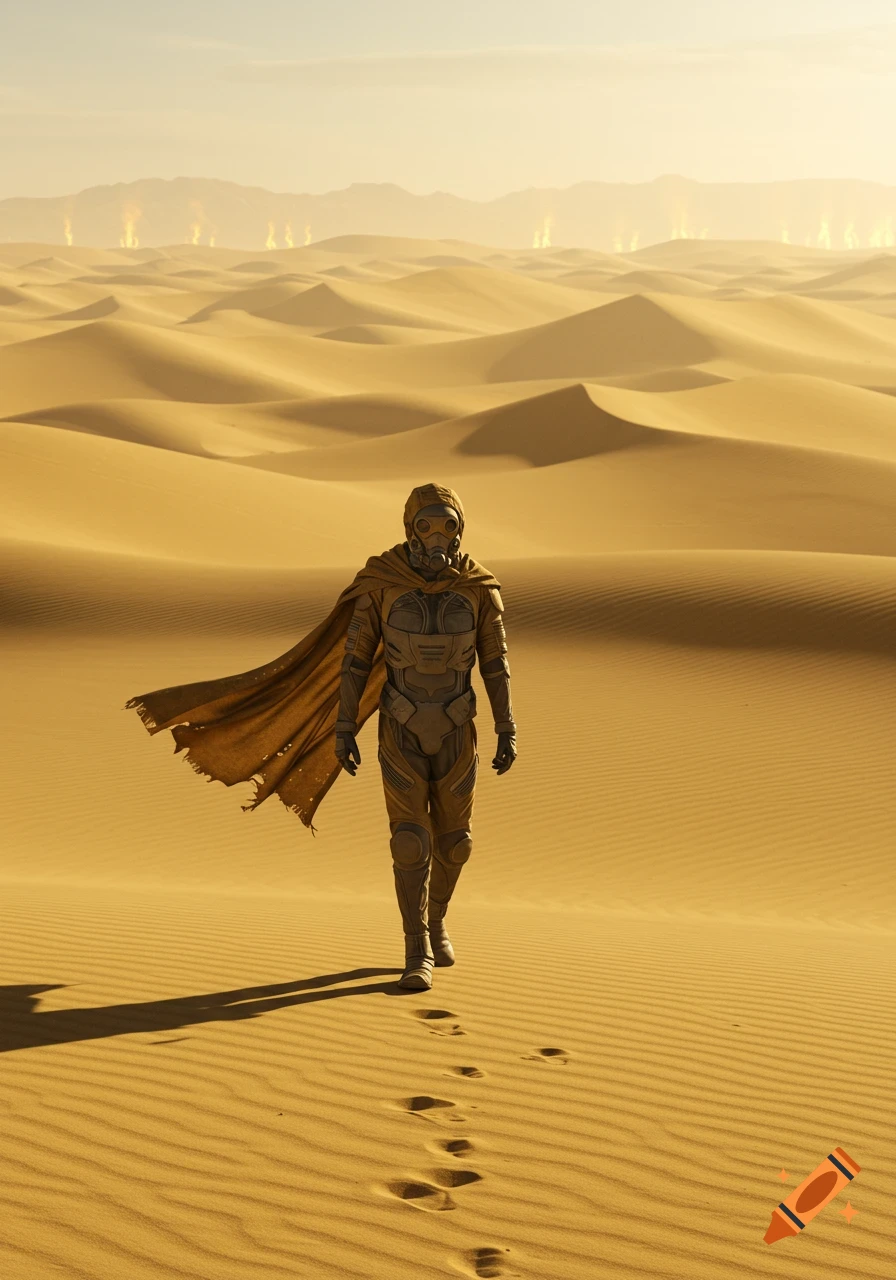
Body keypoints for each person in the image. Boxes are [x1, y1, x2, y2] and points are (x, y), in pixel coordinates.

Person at [125, 482, 516, 992]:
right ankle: (415, 945)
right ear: (409, 527)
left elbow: (495, 662)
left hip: (458, 729)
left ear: (461, 527)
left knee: (456, 844)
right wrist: (345, 724)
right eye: (426, 524)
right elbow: (354, 661)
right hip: (400, 726)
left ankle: (438, 919)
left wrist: (507, 726)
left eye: (447, 524)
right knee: (409, 841)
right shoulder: (382, 582)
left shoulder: (479, 587)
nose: (437, 534)